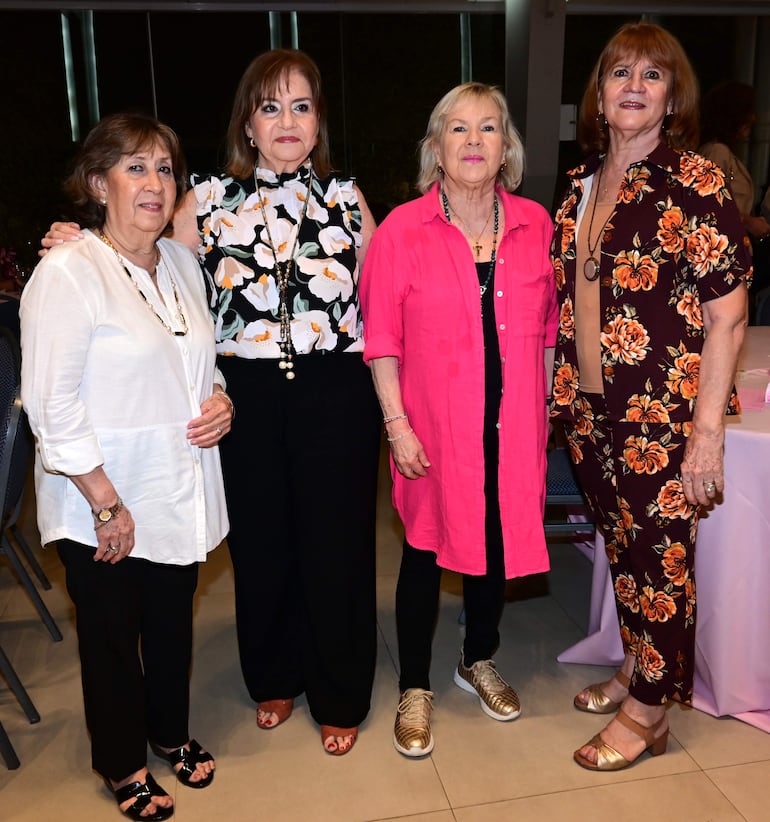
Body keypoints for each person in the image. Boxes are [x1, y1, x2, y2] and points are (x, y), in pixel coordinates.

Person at [42, 49, 380, 756]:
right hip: (245, 398)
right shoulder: (208, 200)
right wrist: (73, 236)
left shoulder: (348, 197)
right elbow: (136, 255)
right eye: (269, 107)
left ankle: (341, 690)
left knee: (338, 547)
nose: (286, 121)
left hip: (334, 393)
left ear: (318, 123)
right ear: (247, 127)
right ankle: (275, 677)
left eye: (301, 106)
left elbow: (388, 295)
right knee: (262, 546)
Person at [550, 22, 750, 771]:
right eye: (619, 73)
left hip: (663, 416)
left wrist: (706, 433)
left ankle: (649, 714)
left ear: (671, 98)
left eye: (652, 76)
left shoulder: (695, 182)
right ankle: (638, 663)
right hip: (590, 411)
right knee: (627, 552)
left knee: (663, 562)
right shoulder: (579, 189)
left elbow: (728, 313)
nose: (633, 86)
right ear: (598, 96)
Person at [21, 112, 231, 820]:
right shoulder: (68, 271)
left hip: (178, 486)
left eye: (165, 168)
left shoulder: (180, 262)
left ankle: (169, 732)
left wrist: (223, 401)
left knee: (172, 623)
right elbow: (49, 403)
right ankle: (120, 762)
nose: (154, 182)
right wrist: (104, 500)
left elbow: (199, 362)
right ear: (96, 182)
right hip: (104, 500)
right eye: (135, 167)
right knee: (112, 639)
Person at [360, 82, 558, 757]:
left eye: (489, 128)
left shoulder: (537, 224)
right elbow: (381, 338)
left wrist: (548, 406)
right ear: (436, 148)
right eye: (458, 129)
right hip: (433, 430)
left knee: (492, 548)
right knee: (423, 549)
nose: (474, 141)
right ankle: (415, 684)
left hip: (514, 425)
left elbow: (551, 331)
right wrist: (397, 426)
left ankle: (478, 658)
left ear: (507, 148)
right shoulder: (399, 232)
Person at [699, 81, 770, 304]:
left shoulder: (723, 152)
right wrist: (749, 223)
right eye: (749, 111)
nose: (754, 119)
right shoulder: (717, 152)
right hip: (722, 258)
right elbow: (707, 206)